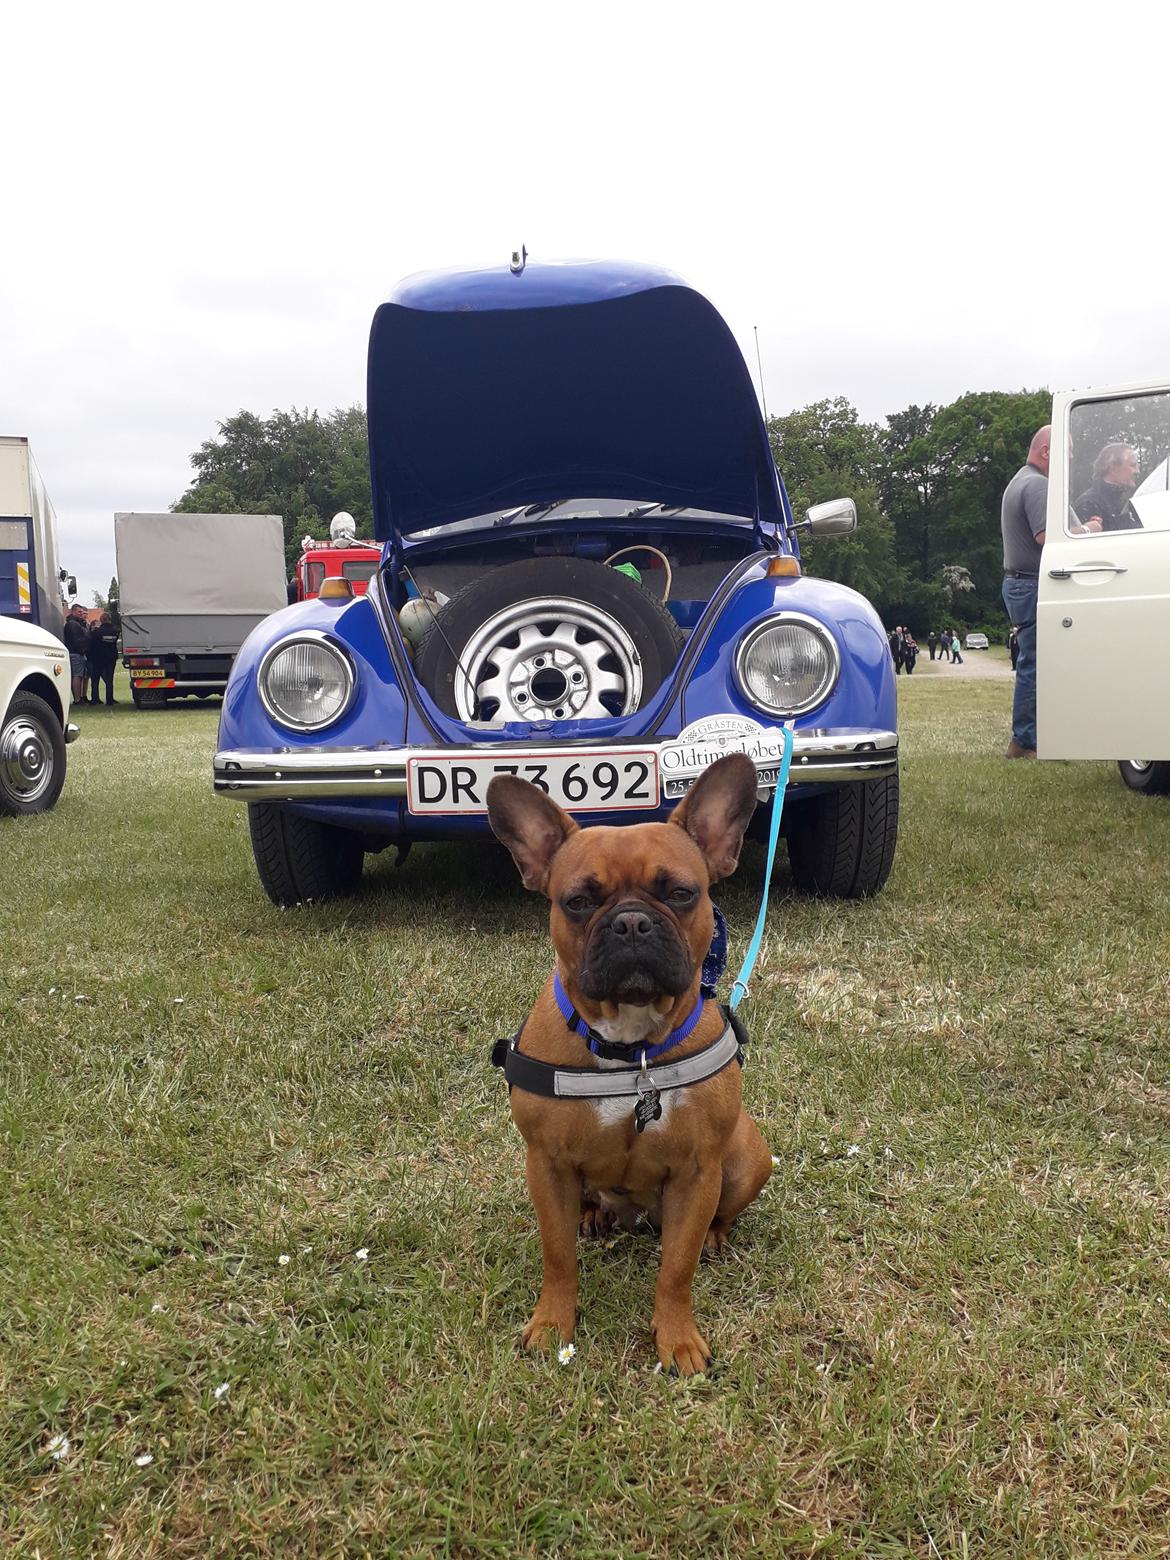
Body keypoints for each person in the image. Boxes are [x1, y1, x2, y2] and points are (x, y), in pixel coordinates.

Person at [1000, 425, 1051, 757]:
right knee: (1035, 664)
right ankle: (1023, 741)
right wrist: (1088, 530)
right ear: (1046, 451)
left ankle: (1029, 737)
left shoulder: (1019, 480)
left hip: (1019, 583)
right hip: (1031, 584)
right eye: (1066, 452)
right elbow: (1046, 536)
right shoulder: (1037, 484)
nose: (1069, 459)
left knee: (1032, 661)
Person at [1074, 443, 1143, 532]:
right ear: (1113, 468)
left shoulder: (1125, 503)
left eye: (1137, 466)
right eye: (1133, 465)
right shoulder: (1089, 504)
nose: (1137, 471)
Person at [87, 610, 119, 705]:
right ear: (110, 620)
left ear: (101, 620)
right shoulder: (115, 631)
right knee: (109, 679)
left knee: (95, 679)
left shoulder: (97, 632)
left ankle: (95, 699)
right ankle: (109, 700)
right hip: (111, 658)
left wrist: (90, 656)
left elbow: (91, 645)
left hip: (98, 658)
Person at [62, 603, 90, 707]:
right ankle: (78, 699)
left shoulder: (76, 623)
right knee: (77, 676)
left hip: (78, 652)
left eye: (82, 612)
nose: (81, 614)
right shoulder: (73, 624)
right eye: (79, 612)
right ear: (73, 612)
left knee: (80, 675)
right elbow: (77, 640)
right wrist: (83, 648)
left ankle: (79, 697)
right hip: (76, 653)